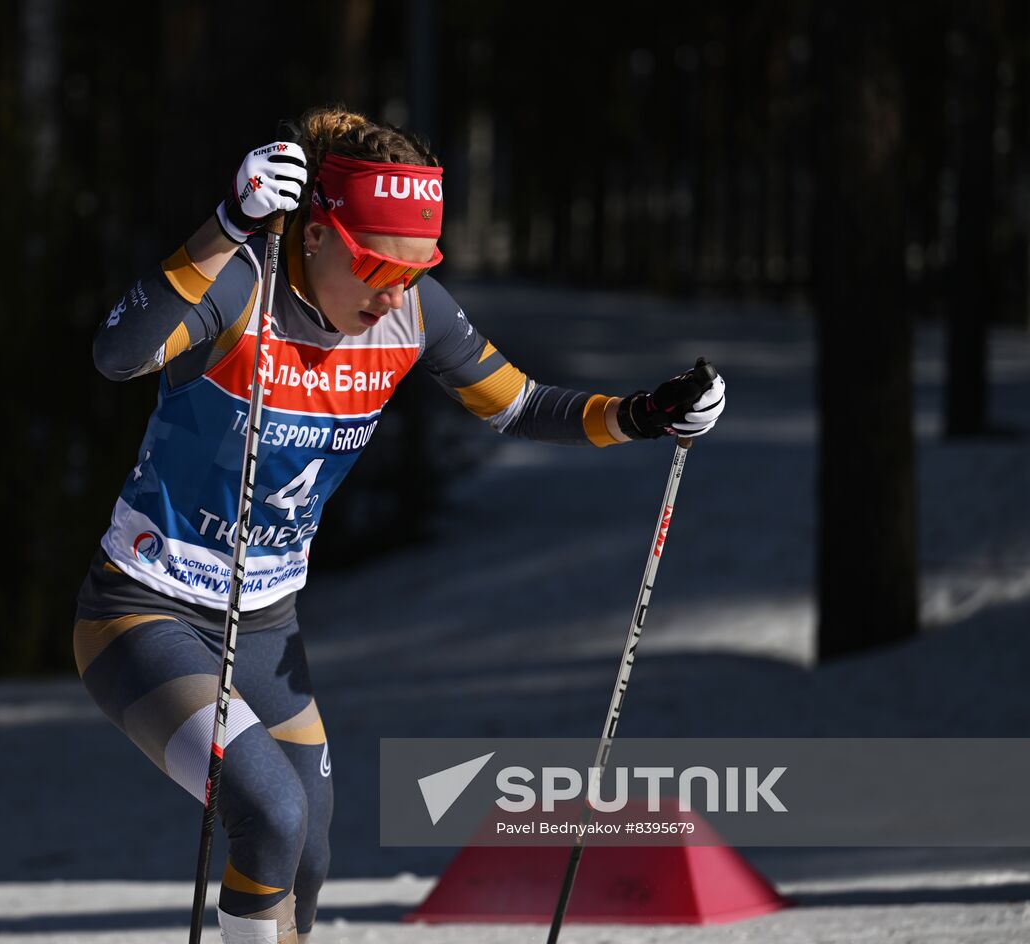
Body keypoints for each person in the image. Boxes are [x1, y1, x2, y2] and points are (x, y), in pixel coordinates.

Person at [73, 105, 725, 944]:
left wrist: (644, 413)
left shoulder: (414, 313)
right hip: (142, 612)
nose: (392, 295)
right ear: (315, 233)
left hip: (267, 624)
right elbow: (116, 354)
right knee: (269, 815)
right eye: (377, 266)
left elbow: (522, 404)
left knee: (307, 844)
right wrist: (228, 224)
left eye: (415, 273)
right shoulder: (242, 284)